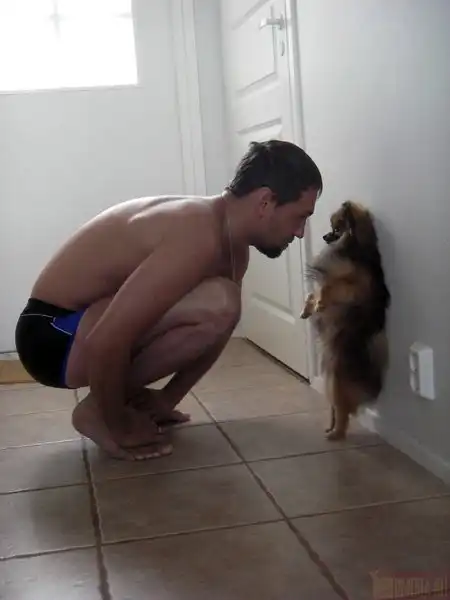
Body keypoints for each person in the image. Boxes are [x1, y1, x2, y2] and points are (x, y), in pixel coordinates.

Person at [15, 140, 322, 461]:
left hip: (81, 328)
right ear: (265, 202)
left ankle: (112, 400)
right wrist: (115, 422)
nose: (300, 232)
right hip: (50, 335)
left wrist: (167, 399)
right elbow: (106, 338)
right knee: (220, 301)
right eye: (299, 217)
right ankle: (98, 410)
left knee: (223, 305)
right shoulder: (197, 231)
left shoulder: (232, 247)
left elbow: (219, 328)